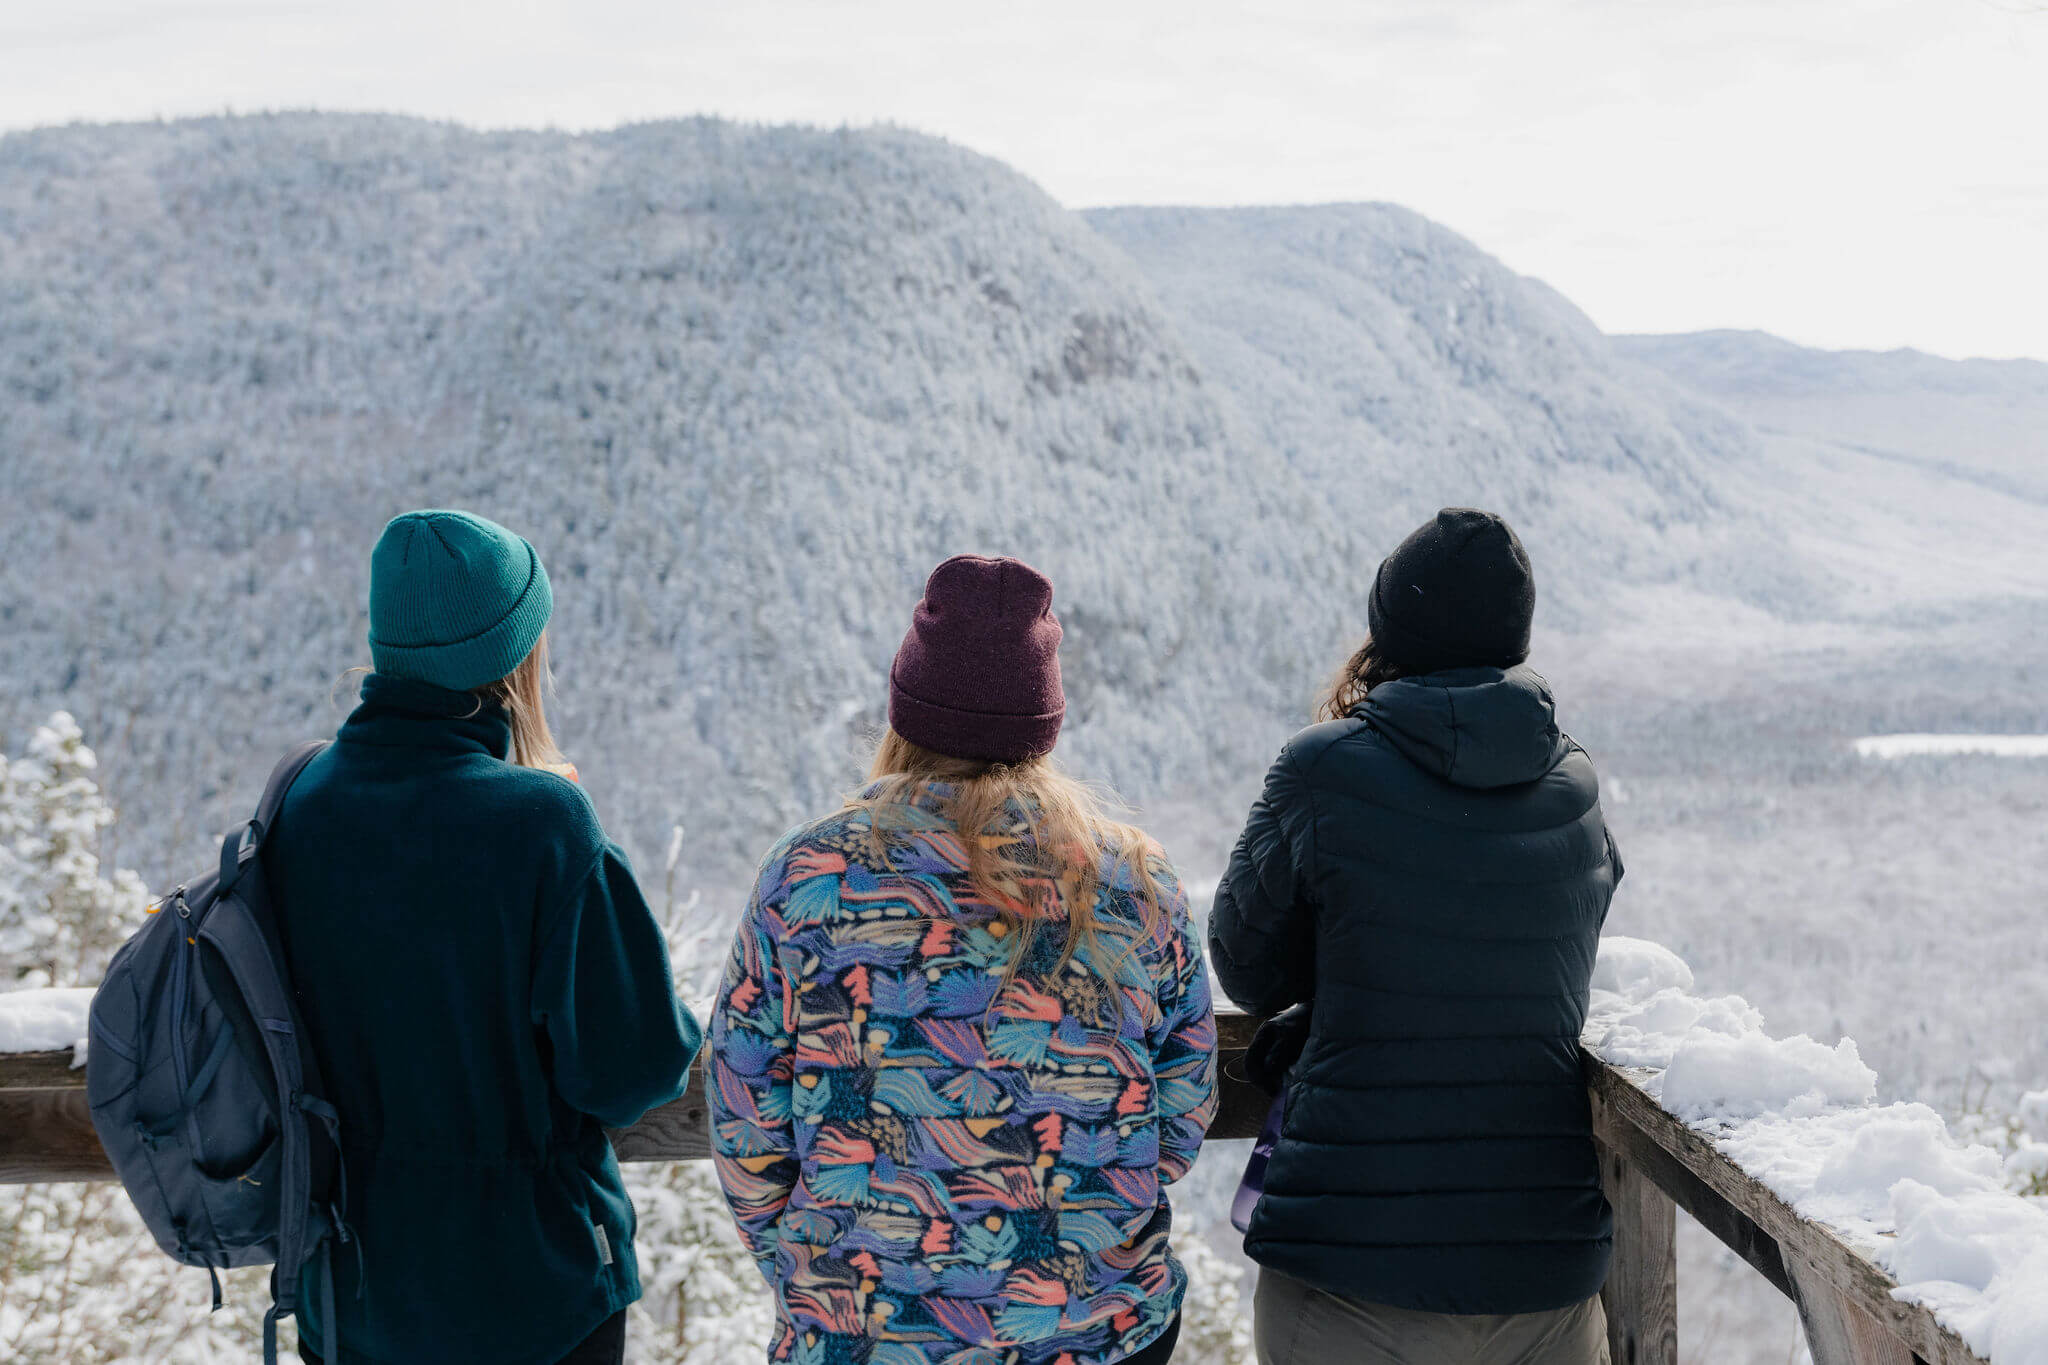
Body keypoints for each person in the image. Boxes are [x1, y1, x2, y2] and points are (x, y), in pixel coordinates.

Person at [709, 554, 1217, 1365]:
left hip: (864, 1336)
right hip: (1098, 1332)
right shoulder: (1135, 877)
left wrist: (822, 1267)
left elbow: (746, 1123)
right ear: (1042, 722)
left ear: (904, 712)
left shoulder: (808, 876)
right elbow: (1183, 1110)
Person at [266, 509, 703, 1365]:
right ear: (513, 657)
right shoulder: (543, 827)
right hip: (531, 1300)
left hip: (348, 1300)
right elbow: (635, 1068)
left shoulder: (300, 807)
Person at [1210, 509, 1623, 1365]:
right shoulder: (1575, 783)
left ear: (1387, 629)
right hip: (1542, 1273)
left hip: (1350, 1268)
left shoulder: (1321, 768)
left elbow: (1245, 968)